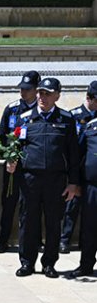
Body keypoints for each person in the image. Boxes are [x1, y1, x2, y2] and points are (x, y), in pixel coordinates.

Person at [11, 77, 80, 278]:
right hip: (30, 179)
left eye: (48, 94)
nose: (43, 97)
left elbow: (73, 154)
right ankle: (27, 263)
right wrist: (11, 160)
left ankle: (49, 263)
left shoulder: (66, 119)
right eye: (40, 93)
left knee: (53, 222)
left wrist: (73, 183)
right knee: (28, 221)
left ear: (57, 96)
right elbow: (15, 146)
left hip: (55, 180)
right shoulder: (25, 118)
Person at [0, 71, 39, 254]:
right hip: (13, 164)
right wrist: (10, 155)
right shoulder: (12, 109)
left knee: (32, 204)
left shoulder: (41, 111)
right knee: (9, 202)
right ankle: (3, 240)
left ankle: (34, 240)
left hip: (33, 165)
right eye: (22, 88)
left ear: (36, 90)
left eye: (28, 89)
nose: (23, 92)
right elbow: (3, 134)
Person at [61, 80, 97, 253]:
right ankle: (64, 239)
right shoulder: (74, 115)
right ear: (88, 98)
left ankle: (85, 242)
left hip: (91, 172)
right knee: (72, 206)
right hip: (77, 169)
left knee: (90, 211)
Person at [70, 114, 97, 278]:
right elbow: (78, 156)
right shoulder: (90, 127)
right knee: (89, 228)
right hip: (92, 186)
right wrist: (77, 183)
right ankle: (86, 265)